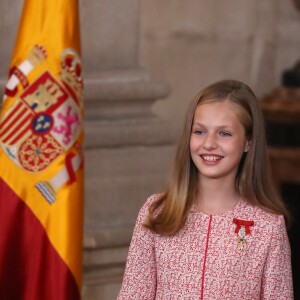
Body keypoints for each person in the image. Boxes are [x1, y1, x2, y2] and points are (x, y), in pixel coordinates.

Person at [117, 80, 294, 299]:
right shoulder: (157, 212)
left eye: (224, 133)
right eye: (200, 131)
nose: (209, 143)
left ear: (248, 142)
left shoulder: (268, 227)